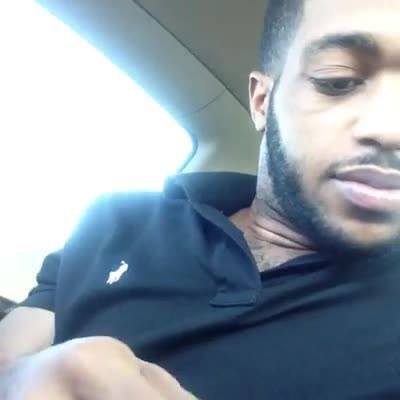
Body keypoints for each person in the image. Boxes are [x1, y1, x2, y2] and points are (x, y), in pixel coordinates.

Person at [1, 0, 400, 398]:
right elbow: (11, 356)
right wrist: (27, 378)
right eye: (338, 80)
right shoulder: (117, 221)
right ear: (262, 101)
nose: (391, 130)